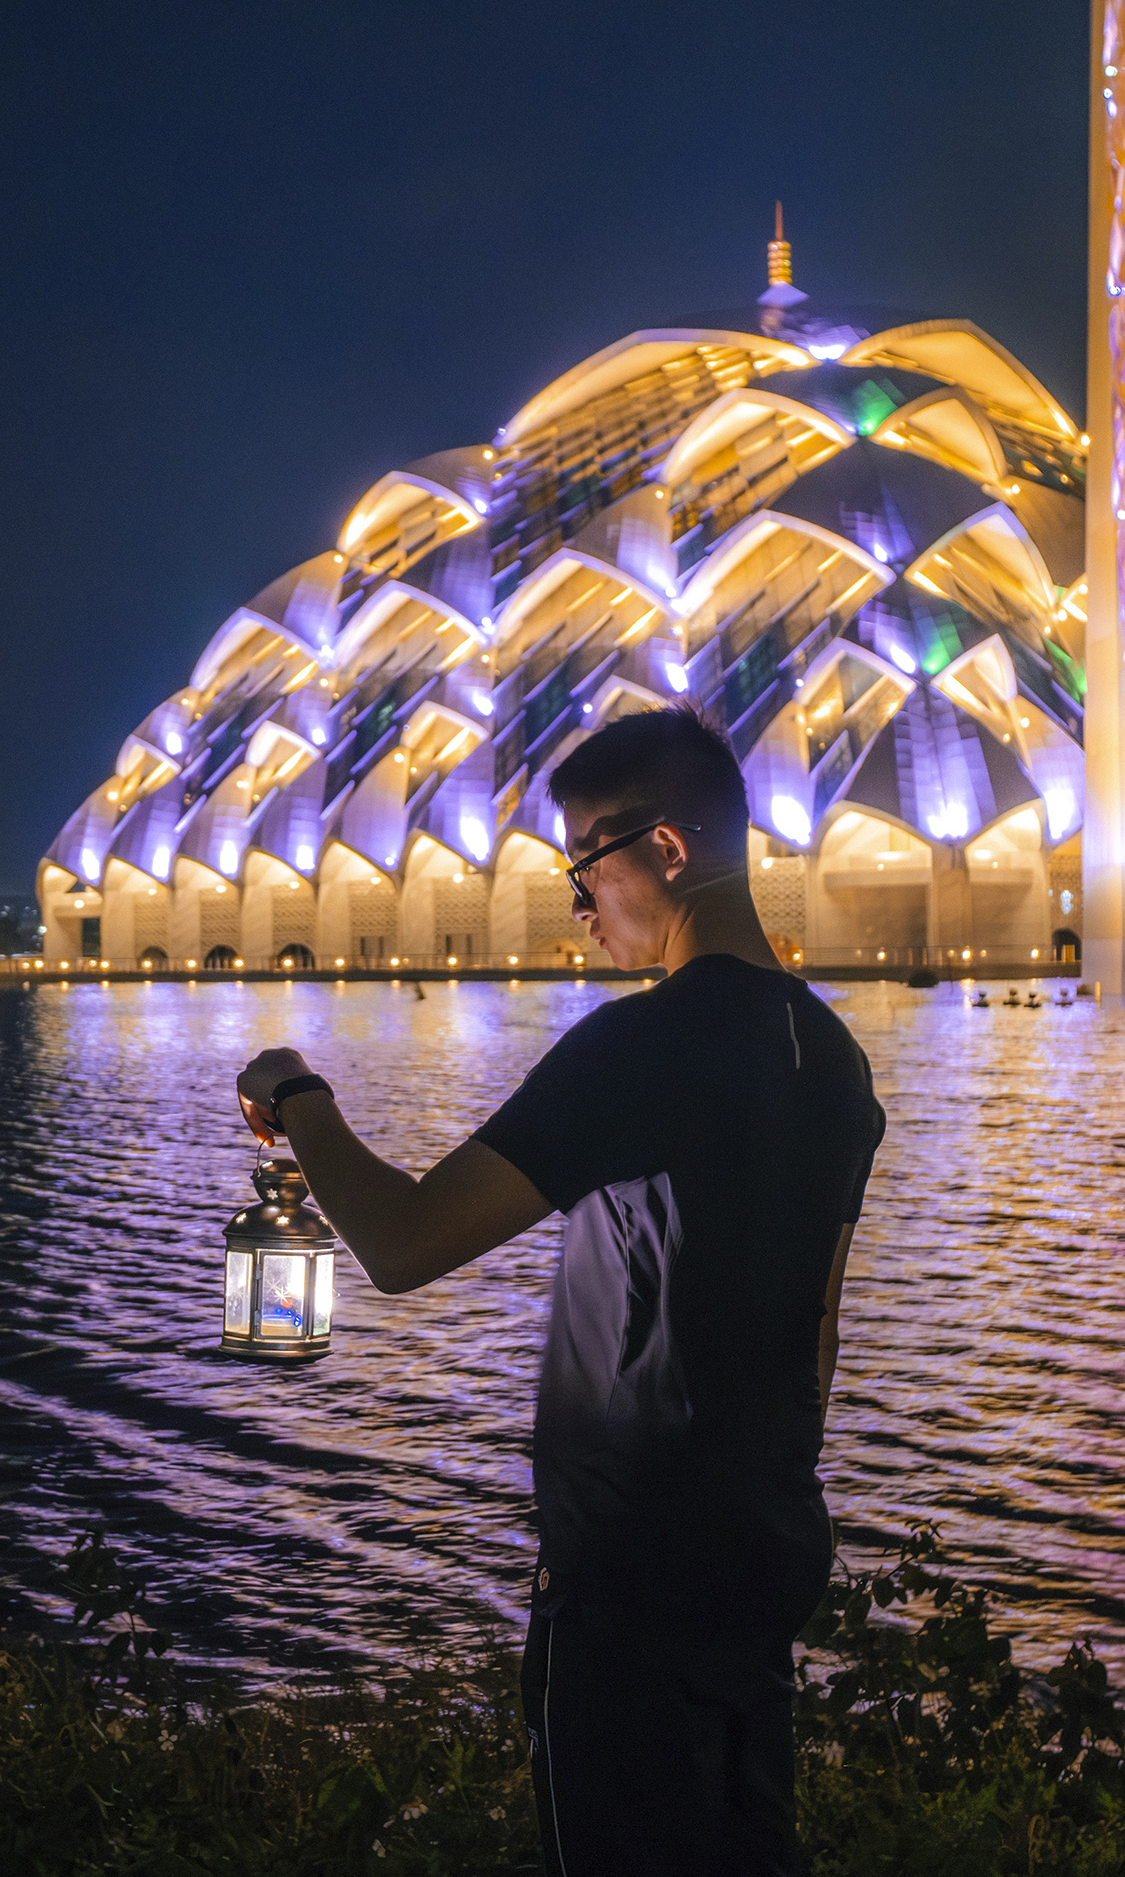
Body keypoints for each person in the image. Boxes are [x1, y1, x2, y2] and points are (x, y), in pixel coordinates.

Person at [235, 705, 886, 1876]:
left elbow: (399, 1239)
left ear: (666, 850)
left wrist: (295, 1091)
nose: (577, 905)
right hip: (759, 1574)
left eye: (581, 865)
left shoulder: (636, 1050)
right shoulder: (832, 1058)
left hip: (632, 1596)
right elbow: (820, 1341)